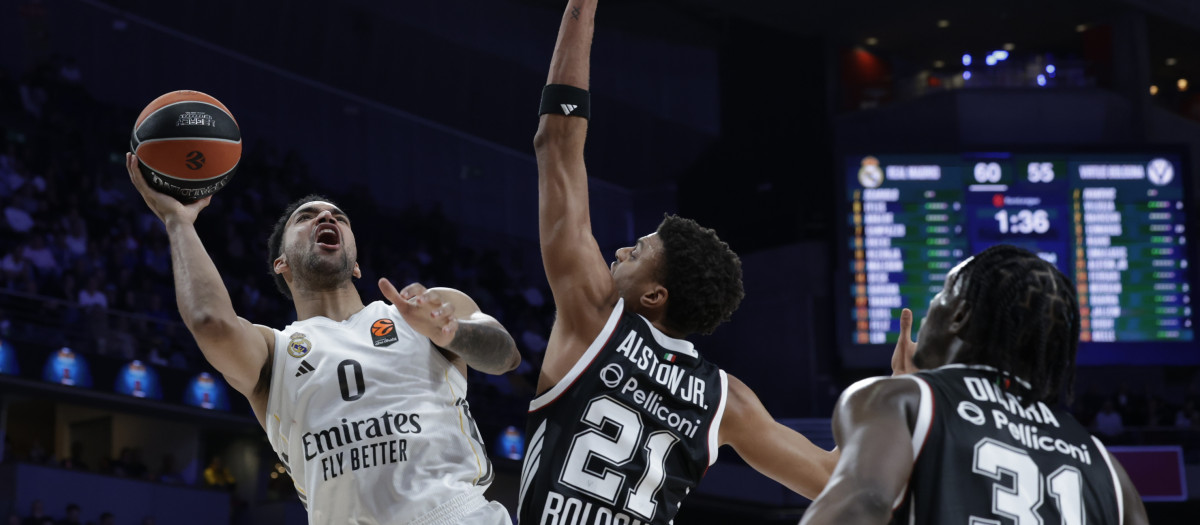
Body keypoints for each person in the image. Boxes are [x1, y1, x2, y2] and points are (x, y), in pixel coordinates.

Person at [517, 2, 837, 523]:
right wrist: (905, 404)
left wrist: (581, 6)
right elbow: (831, 478)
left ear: (654, 295)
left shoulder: (598, 320)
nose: (620, 251)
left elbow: (556, 141)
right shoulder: (725, 398)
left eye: (637, 250)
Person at [124, 154, 521, 524]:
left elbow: (505, 357)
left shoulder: (422, 310)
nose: (325, 217)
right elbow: (210, 322)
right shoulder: (272, 351)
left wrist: (452, 332)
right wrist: (178, 221)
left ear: (357, 262)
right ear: (281, 263)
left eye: (339, 217)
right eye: (306, 217)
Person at [800, 245, 1148, 524]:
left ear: (959, 316)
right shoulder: (1108, 468)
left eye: (941, 294)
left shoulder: (901, 400)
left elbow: (862, 505)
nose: (929, 308)